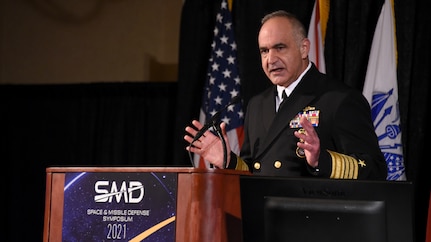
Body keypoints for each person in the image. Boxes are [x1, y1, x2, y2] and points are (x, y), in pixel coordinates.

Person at [184, 10, 387, 180]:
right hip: (263, 219)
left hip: (311, 221)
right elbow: (255, 172)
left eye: (280, 48)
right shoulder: (257, 104)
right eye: (264, 51)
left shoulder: (339, 99)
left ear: (304, 48)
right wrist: (228, 161)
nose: (271, 59)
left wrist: (321, 160)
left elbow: (375, 169)